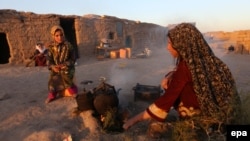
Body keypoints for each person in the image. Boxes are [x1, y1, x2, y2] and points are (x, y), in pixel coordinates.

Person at [123, 23, 241, 132]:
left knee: (171, 86)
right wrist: (171, 75)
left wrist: (133, 120)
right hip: (229, 118)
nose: (167, 48)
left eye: (170, 43)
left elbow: (165, 101)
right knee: (172, 81)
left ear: (181, 44)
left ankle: (192, 121)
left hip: (210, 124)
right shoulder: (212, 61)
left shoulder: (186, 67)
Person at [45, 25, 78, 104]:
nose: (60, 37)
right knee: (53, 79)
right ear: (53, 36)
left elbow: (73, 59)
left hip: (67, 67)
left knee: (66, 74)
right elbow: (48, 60)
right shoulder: (51, 48)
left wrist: (65, 64)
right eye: (57, 35)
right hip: (55, 68)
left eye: (61, 35)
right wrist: (53, 67)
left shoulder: (69, 46)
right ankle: (52, 95)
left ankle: (72, 91)